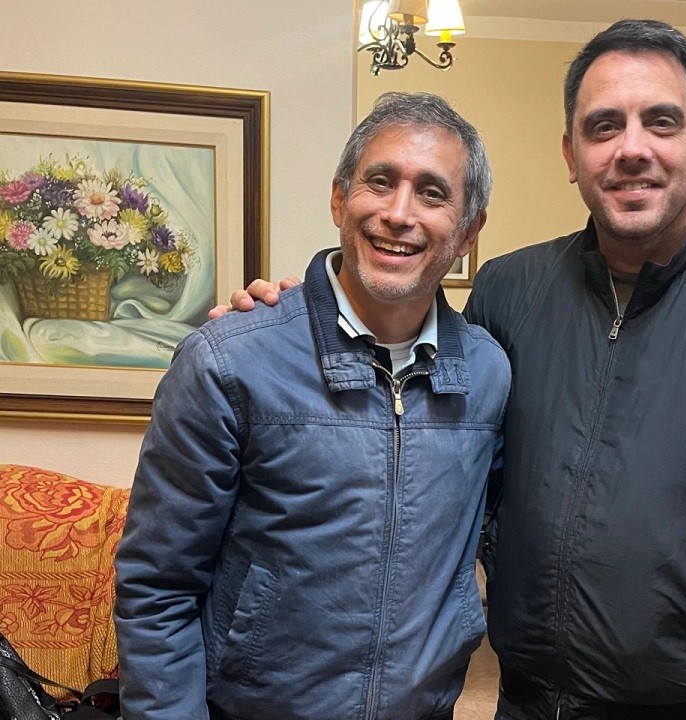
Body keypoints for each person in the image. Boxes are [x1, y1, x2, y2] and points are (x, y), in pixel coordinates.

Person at [223, 19, 686, 720]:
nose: (632, 149)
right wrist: (292, 323)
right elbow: (405, 383)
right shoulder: (510, 289)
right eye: (603, 126)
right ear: (571, 152)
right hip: (524, 700)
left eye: (661, 122)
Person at [114, 92, 511, 720]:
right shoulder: (229, 360)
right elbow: (157, 590)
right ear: (338, 198)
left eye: (432, 194)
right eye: (380, 182)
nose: (398, 214)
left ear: (468, 231)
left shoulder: (488, 373)